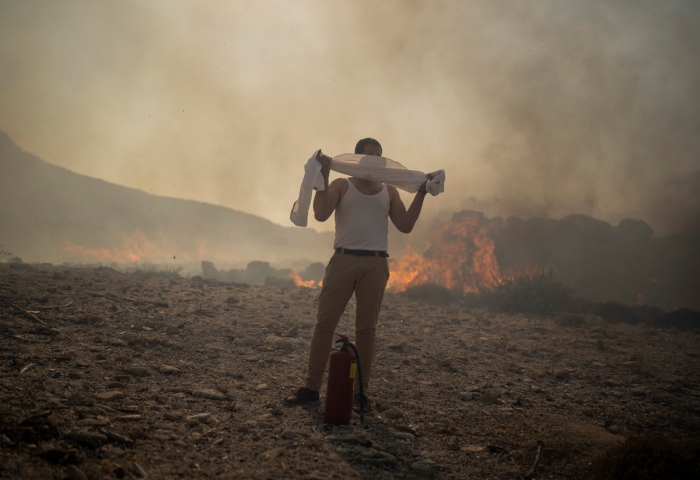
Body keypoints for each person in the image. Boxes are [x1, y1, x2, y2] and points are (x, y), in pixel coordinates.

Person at [284, 138, 431, 410]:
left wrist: (421, 192)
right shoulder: (342, 185)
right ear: (357, 159)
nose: (373, 161)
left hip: (376, 264)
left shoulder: (389, 192)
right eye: (368, 156)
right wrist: (325, 175)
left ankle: (359, 394)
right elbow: (319, 214)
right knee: (324, 326)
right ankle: (311, 388)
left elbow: (406, 225)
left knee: (366, 331)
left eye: (378, 156)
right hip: (343, 260)